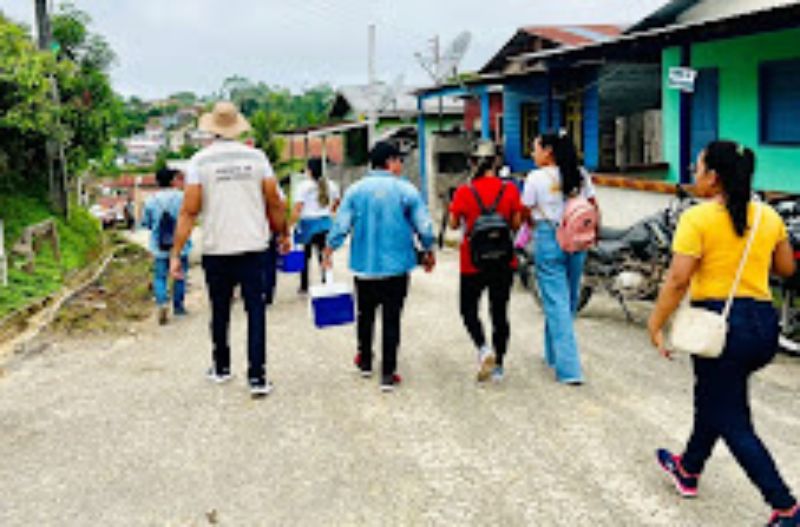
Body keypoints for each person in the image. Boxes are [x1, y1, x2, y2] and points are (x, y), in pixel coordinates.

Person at [647, 141, 799, 527]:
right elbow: (785, 268)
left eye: (698, 167)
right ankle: (689, 468)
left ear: (713, 177)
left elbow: (679, 278)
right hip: (763, 326)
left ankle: (785, 507)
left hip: (719, 326)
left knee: (731, 417)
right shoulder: (767, 216)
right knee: (715, 397)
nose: (694, 173)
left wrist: (656, 322)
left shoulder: (697, 219)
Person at [169, 101, 289, 398]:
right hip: (253, 247)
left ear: (212, 129)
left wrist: (176, 253)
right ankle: (257, 377)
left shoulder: (200, 162)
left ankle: (221, 367)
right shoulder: (257, 158)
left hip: (217, 249)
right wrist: (283, 233)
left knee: (220, 310)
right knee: (255, 311)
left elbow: (189, 211)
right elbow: (274, 201)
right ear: (237, 127)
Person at [324, 141, 436, 392]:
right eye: (399, 161)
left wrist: (330, 248)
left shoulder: (355, 191)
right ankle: (388, 373)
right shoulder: (405, 190)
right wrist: (428, 249)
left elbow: (341, 224)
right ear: (390, 162)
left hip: (364, 267)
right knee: (391, 318)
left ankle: (364, 361)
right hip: (397, 268)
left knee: (365, 315)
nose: (401, 166)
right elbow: (425, 227)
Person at [522, 131, 598, 385]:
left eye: (536, 148)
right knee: (568, 299)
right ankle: (553, 354)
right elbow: (593, 206)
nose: (533, 154)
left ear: (548, 151)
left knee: (556, 302)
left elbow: (525, 212)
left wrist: (522, 236)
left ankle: (569, 370)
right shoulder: (580, 174)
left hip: (549, 237)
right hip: (577, 239)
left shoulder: (535, 178)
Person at [449, 140, 524, 382]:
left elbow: (452, 224)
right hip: (504, 261)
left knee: (468, 309)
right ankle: (499, 365)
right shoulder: (510, 189)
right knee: (499, 312)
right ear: (496, 162)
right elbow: (515, 224)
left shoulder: (464, 191)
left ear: (473, 162)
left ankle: (483, 347)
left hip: (472, 262)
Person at [141, 167, 191, 325]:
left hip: (159, 245)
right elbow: (189, 217)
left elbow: (146, 223)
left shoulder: (151, 200)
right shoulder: (182, 197)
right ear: (172, 181)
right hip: (180, 243)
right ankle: (179, 306)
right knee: (180, 274)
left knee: (160, 276)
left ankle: (162, 303)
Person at [292, 157, 340, 294]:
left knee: (305, 256)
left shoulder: (303, 186)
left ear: (310, 170)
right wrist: (330, 211)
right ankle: (327, 281)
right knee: (324, 255)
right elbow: (337, 202)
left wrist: (292, 223)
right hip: (325, 223)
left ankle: (304, 285)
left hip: (308, 224)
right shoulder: (331, 185)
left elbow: (298, 207)